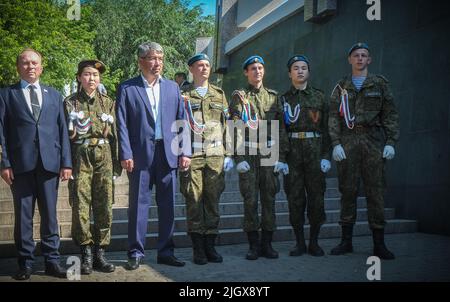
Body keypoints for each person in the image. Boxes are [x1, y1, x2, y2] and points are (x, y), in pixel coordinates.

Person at [116, 42, 191, 269]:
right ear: (141, 61)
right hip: (140, 156)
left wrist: (184, 151)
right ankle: (136, 253)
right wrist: (126, 152)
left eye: (160, 58)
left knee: (168, 205)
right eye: (152, 58)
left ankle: (166, 252)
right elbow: (122, 123)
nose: (157, 62)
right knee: (138, 206)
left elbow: (181, 120)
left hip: (168, 154)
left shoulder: (172, 88)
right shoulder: (127, 88)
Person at [0, 48, 72, 280]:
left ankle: (52, 261)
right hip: (20, 166)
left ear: (41, 67)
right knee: (23, 217)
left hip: (50, 165)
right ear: (18, 67)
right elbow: (0, 132)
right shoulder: (6, 95)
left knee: (50, 216)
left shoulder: (55, 95)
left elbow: (62, 131)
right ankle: (26, 263)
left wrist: (66, 163)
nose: (30, 66)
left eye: (34, 63)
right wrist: (4, 163)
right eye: (25, 63)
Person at [328, 42, 399, 259]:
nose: (360, 58)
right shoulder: (341, 87)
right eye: (356, 55)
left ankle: (379, 244)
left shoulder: (380, 84)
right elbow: (333, 117)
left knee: (375, 192)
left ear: (369, 60)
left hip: (372, 141)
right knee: (347, 191)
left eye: (364, 55)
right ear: (349, 59)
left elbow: (390, 114)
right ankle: (345, 241)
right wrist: (336, 143)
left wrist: (391, 142)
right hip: (348, 141)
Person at [64, 60, 121, 275]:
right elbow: (64, 137)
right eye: (87, 74)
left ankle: (100, 253)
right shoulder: (70, 103)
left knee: (104, 204)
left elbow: (114, 135)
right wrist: (66, 163)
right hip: (80, 157)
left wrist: (116, 165)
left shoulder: (108, 102)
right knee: (80, 205)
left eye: (95, 75)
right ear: (79, 77)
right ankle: (85, 253)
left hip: (103, 157)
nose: (92, 79)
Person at [229, 55, 289, 260]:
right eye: (253, 68)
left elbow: (281, 128)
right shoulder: (239, 96)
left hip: (269, 150)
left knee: (269, 198)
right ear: (246, 72)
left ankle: (267, 245)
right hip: (248, 150)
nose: (257, 71)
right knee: (250, 200)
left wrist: (281, 157)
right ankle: (253, 246)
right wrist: (238, 157)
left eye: (260, 68)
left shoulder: (274, 96)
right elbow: (234, 127)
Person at [179, 53, 233, 265]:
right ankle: (198, 249)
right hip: (192, 155)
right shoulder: (182, 94)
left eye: (207, 65)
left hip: (215, 156)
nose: (204, 68)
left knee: (212, 201)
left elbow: (227, 125)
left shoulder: (219, 95)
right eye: (200, 65)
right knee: (193, 200)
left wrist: (229, 154)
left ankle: (211, 246)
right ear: (191, 69)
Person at [281, 55, 331, 257]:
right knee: (295, 199)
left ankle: (314, 243)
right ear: (289, 73)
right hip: (292, 152)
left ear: (308, 72)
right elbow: (280, 130)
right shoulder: (283, 99)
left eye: (303, 67)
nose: (300, 71)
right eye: (295, 68)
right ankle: (299, 243)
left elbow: (328, 127)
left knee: (317, 199)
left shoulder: (319, 97)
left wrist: (326, 155)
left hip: (315, 151)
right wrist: (281, 159)